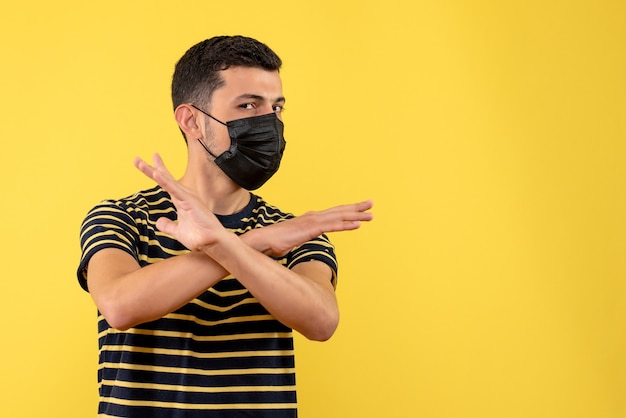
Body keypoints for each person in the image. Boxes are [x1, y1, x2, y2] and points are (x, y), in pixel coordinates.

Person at [77, 35, 373, 417]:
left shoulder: (295, 231)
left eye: (276, 107)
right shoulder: (123, 216)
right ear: (192, 120)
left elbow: (321, 320)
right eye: (249, 105)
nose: (269, 122)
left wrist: (221, 243)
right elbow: (119, 304)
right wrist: (256, 242)